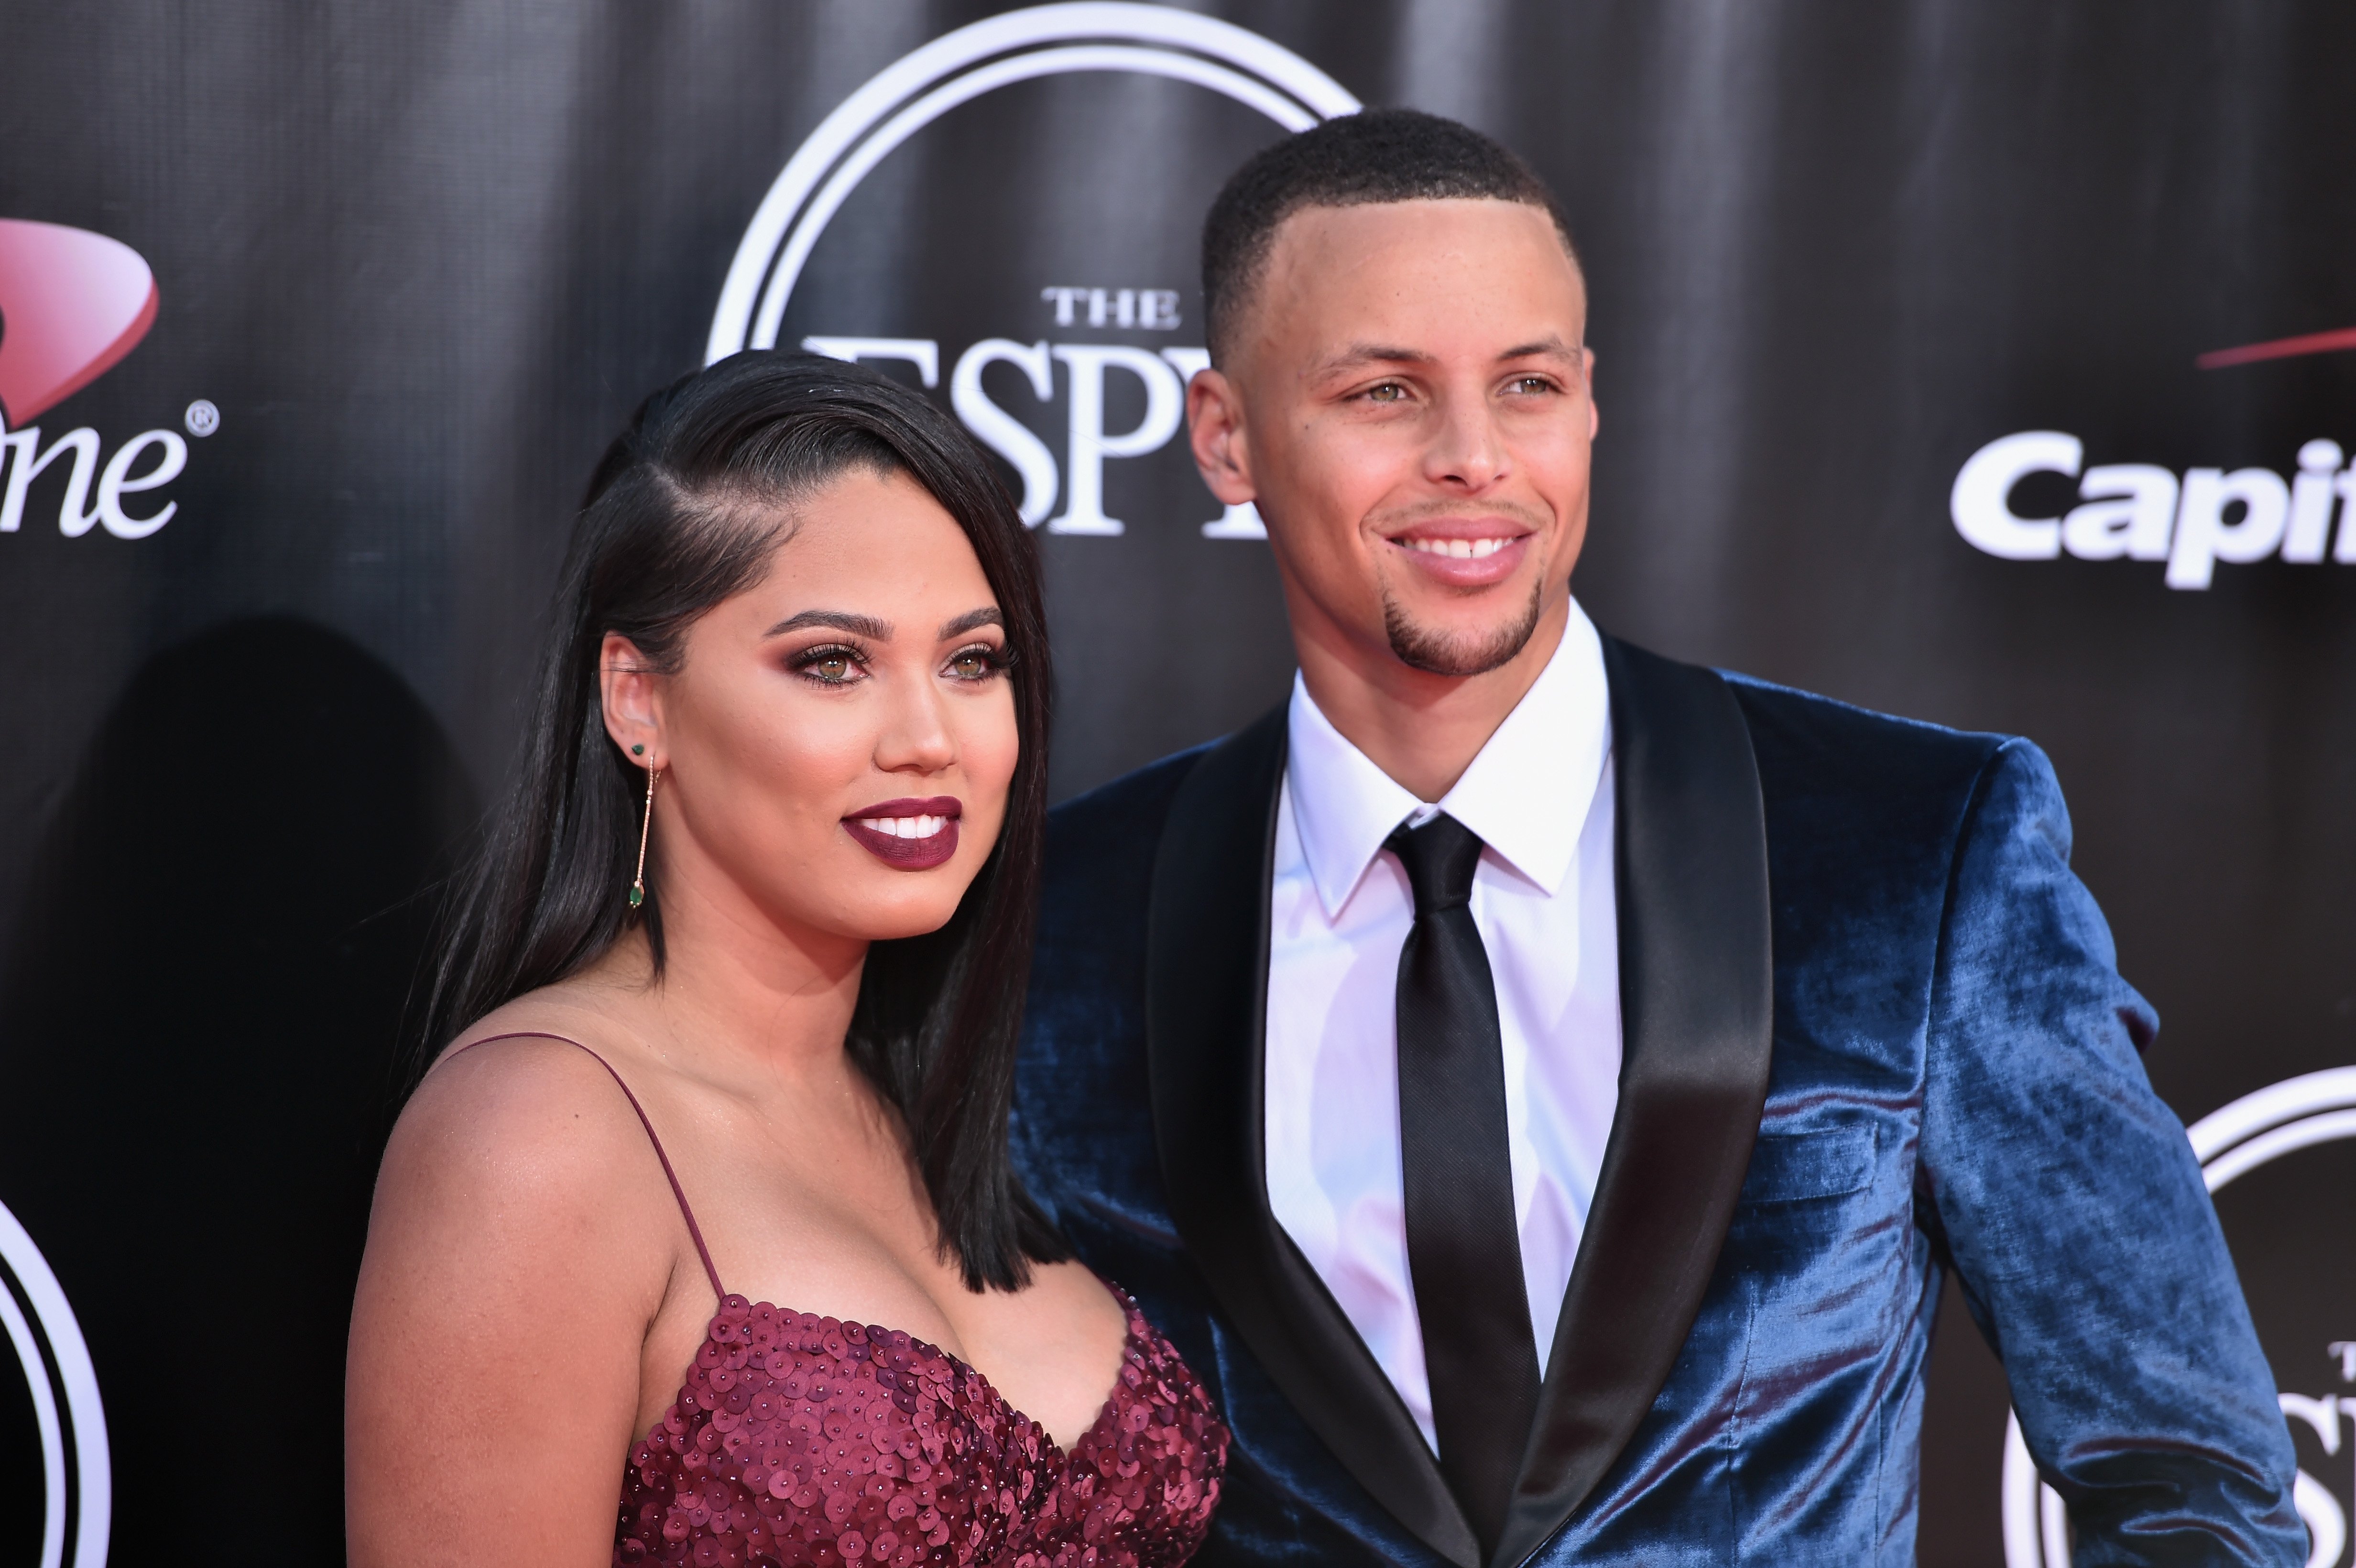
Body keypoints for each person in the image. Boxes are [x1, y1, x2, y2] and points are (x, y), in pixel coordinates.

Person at [1010, 109, 2301, 1566]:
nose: (1473, 458)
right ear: (1227, 438)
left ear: (1591, 402)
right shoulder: (1068, 924)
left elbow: (2196, 1492)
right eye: (1384, 391)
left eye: (1528, 384)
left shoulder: (1916, 853)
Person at [346, 354, 1227, 1568]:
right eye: (832, 662)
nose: (929, 738)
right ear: (636, 700)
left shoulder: (931, 1095)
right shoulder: (538, 1131)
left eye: (972, 660)